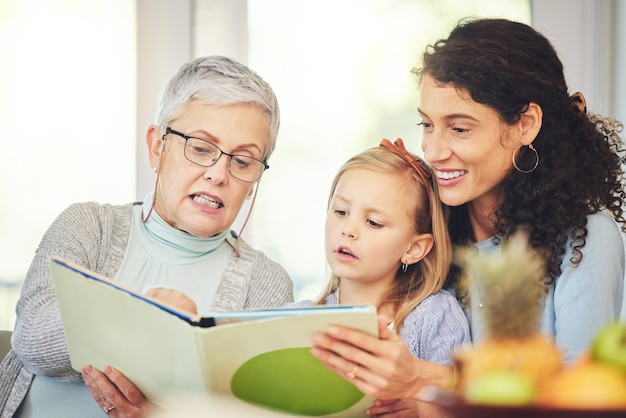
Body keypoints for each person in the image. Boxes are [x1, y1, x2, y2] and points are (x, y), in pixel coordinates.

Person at [310, 17, 626, 414]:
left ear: (525, 124)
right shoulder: (433, 231)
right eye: (427, 124)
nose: (434, 150)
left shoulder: (585, 238)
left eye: (459, 129)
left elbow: (581, 401)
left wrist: (426, 379)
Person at [0, 55, 294, 418]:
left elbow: (247, 409)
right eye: (201, 148)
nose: (219, 174)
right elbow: (33, 341)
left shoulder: (266, 285)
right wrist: (149, 319)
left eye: (243, 161)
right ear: (157, 147)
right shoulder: (89, 225)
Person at [295, 139, 469, 416]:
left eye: (373, 222)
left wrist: (422, 409)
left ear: (414, 249)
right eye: (340, 211)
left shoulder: (434, 317)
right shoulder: (297, 317)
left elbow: (461, 402)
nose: (348, 229)